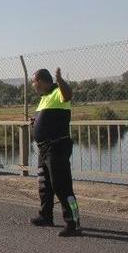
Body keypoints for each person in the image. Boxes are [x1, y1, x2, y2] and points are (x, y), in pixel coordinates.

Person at [29, 68, 81, 237]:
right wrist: (37, 122)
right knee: (44, 185)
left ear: (40, 81)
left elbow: (68, 95)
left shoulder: (58, 91)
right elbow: (49, 117)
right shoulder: (44, 97)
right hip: (44, 149)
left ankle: (73, 223)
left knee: (62, 186)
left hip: (57, 147)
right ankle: (46, 216)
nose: (32, 85)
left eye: (33, 82)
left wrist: (60, 80)